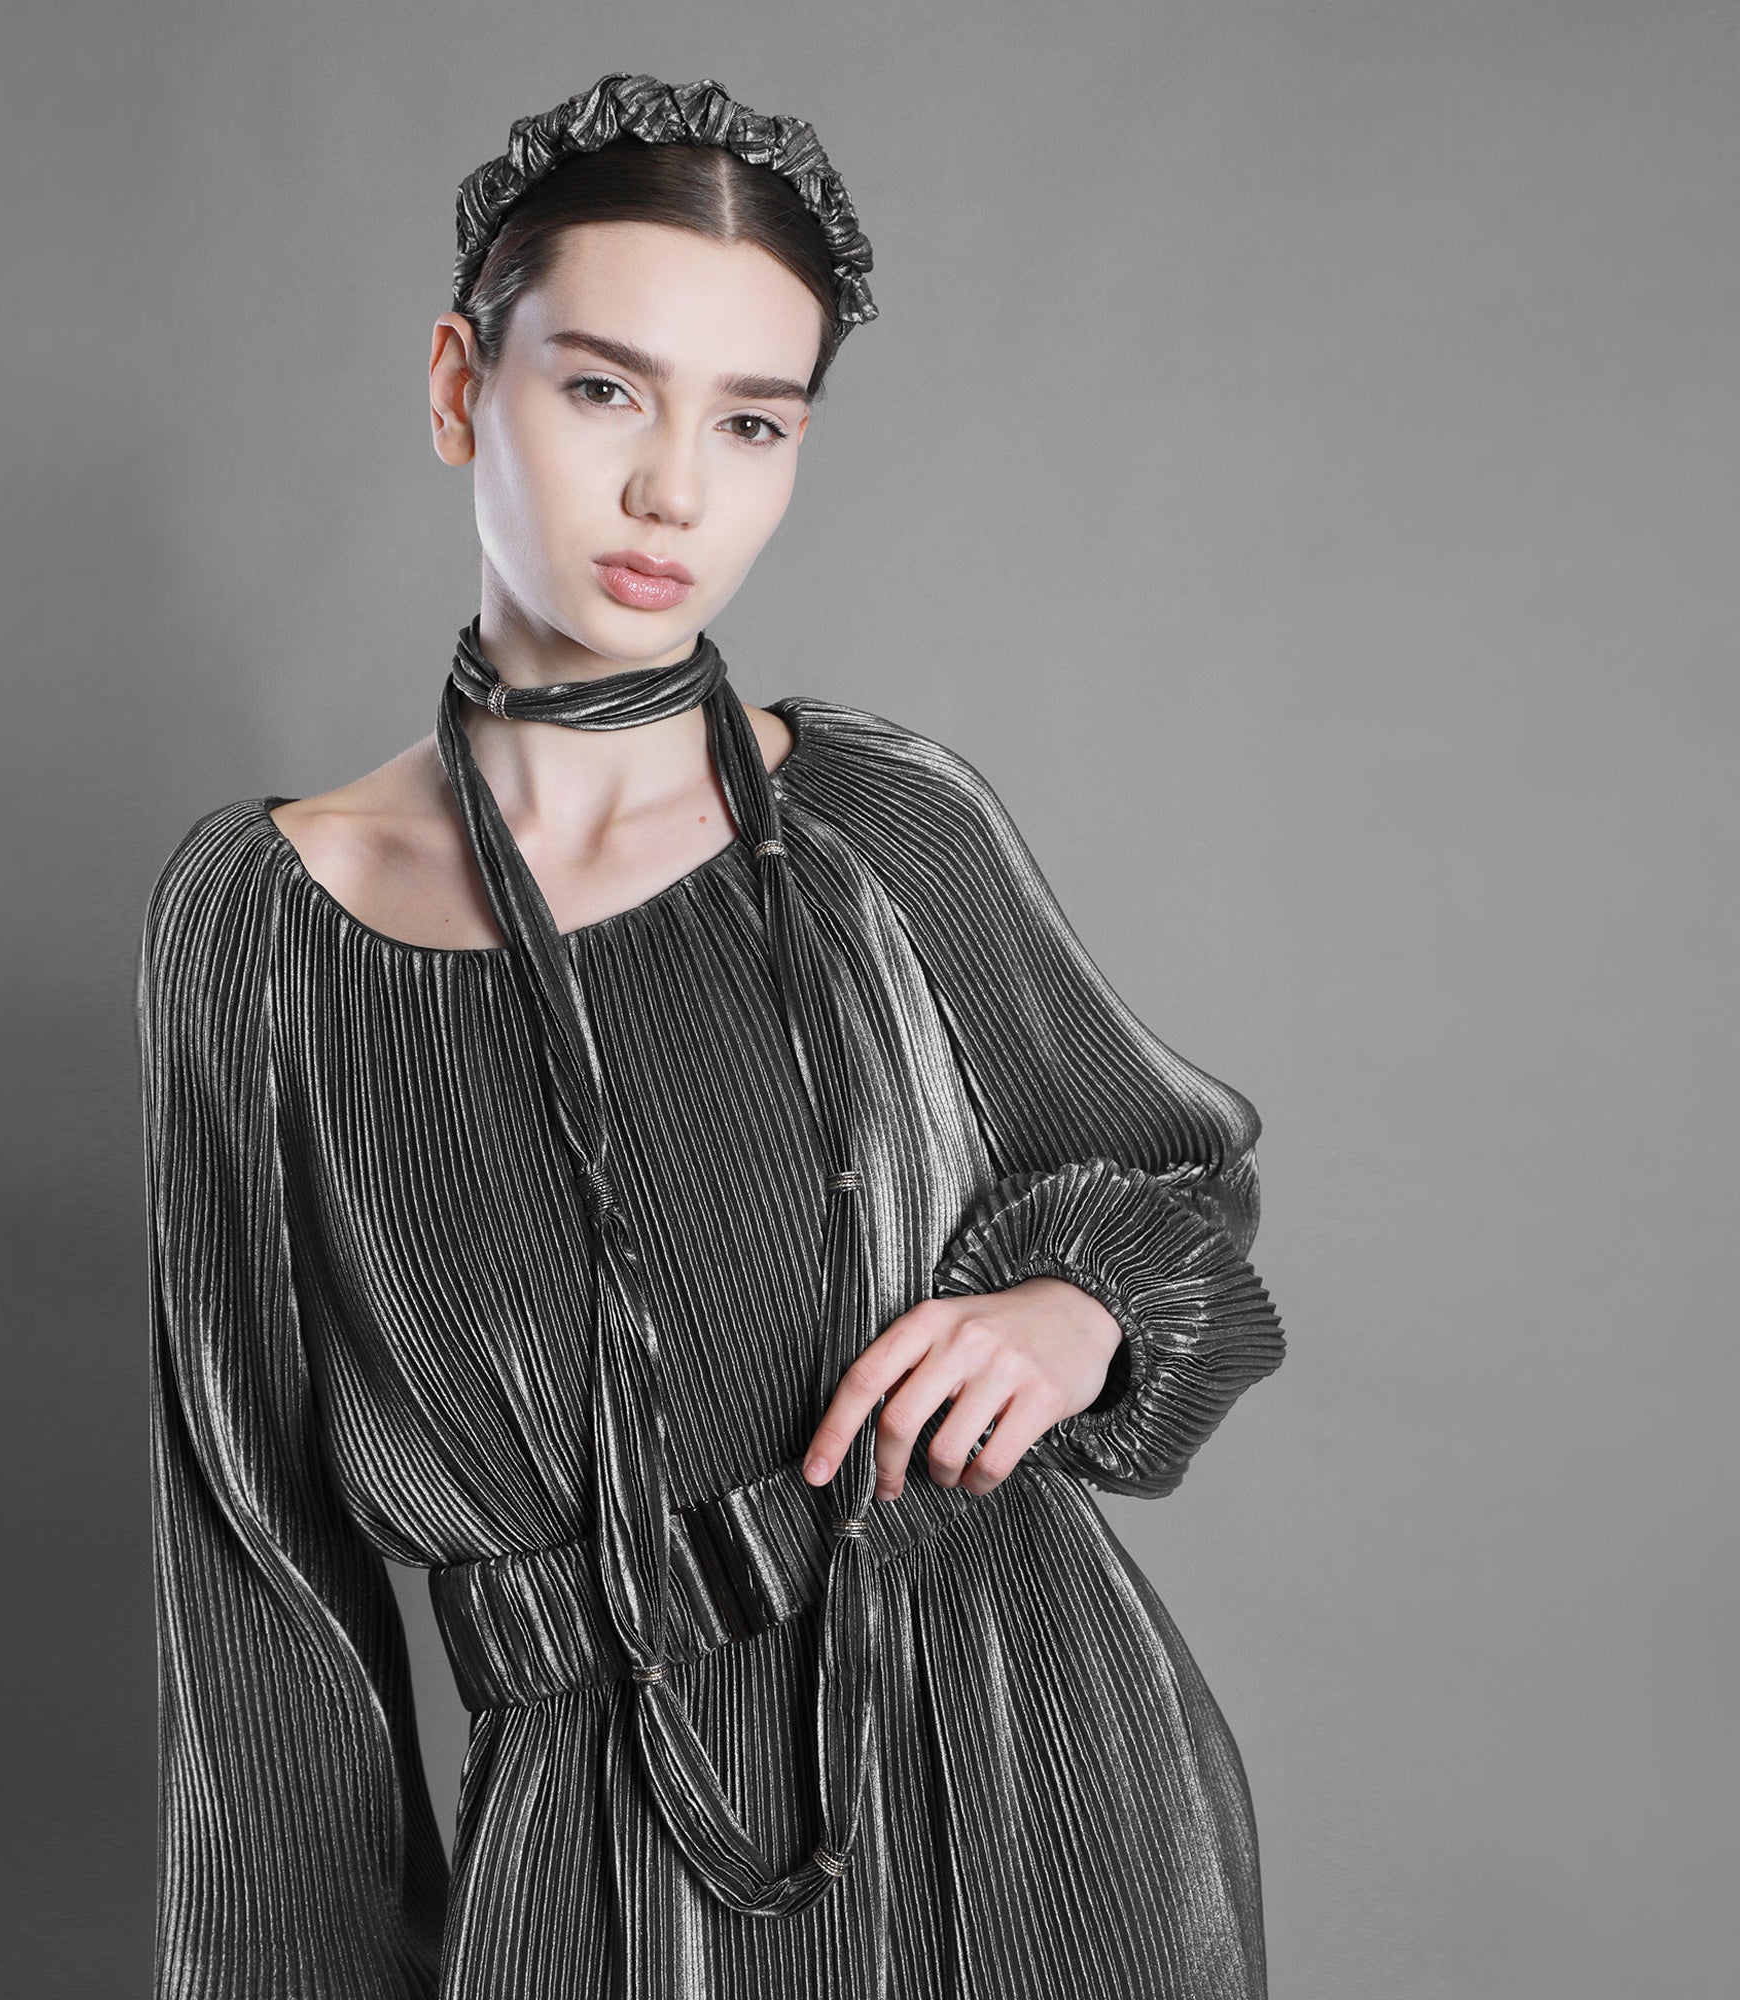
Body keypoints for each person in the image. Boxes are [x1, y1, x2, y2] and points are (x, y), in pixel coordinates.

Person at [138, 72, 1287, 2000]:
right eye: (607, 390)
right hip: (601, 1868)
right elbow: (255, 1590)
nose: (676, 489)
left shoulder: (880, 828)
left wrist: (1078, 1310)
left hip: (1033, 1794)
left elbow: (1188, 1194)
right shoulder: (259, 932)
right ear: (459, 385)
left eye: (753, 421)